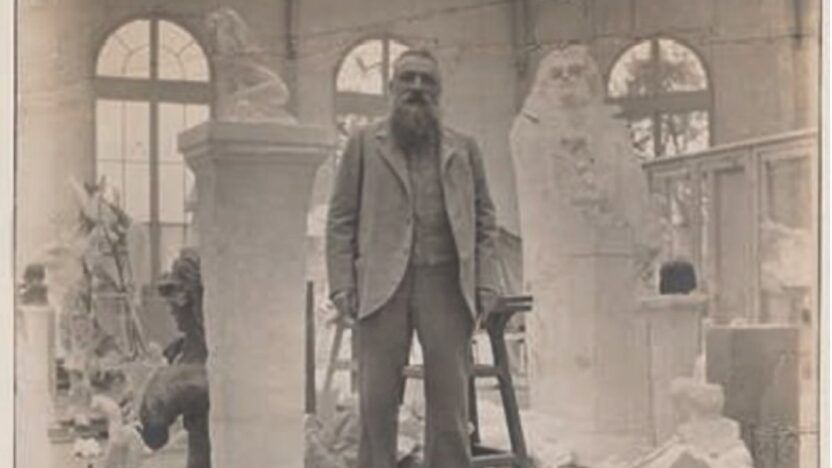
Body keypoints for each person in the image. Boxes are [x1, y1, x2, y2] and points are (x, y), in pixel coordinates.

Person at [326, 48, 501, 468]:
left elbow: (485, 220)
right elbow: (340, 219)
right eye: (408, 79)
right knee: (376, 405)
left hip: (446, 285)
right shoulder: (365, 144)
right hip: (381, 288)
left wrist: (487, 282)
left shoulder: (465, 147)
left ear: (438, 92)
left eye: (427, 81)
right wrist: (342, 285)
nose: (417, 88)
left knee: (450, 410)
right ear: (392, 88)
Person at [138, 248, 210, 468]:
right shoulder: (182, 351)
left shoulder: (202, 359)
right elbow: (154, 435)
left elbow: (154, 432)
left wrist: (161, 385)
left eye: (176, 301)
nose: (170, 309)